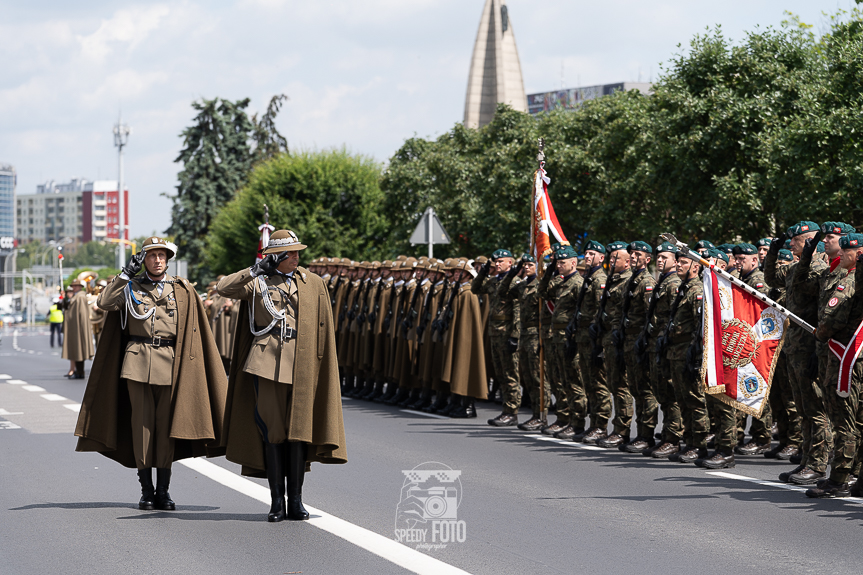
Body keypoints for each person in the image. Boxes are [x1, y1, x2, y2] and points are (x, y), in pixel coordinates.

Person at [75, 237, 228, 512]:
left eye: (162, 255)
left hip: (171, 363)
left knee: (166, 430)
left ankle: (164, 491)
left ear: (168, 259)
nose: (157, 260)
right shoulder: (130, 286)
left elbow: (196, 330)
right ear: (143, 259)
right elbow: (104, 302)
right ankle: (146, 490)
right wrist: (124, 274)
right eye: (151, 255)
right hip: (137, 363)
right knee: (142, 428)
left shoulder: (182, 289)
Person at [217, 229, 347, 522]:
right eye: (290, 254)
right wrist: (255, 269)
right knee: (274, 433)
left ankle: (297, 501)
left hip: (303, 364)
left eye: (298, 252)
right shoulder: (258, 282)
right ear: (275, 256)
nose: (297, 258)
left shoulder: (313, 283)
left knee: (298, 433)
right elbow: (224, 288)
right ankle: (277, 501)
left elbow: (324, 327)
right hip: (267, 363)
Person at [472, 249, 521, 425]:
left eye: (501, 261)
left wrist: (515, 336)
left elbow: (517, 311)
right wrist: (483, 271)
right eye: (495, 262)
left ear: (510, 263)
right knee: (500, 374)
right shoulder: (493, 281)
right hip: (495, 332)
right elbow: (475, 288)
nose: (497, 264)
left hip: (507, 332)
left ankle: (512, 411)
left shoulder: (515, 282)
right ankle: (506, 410)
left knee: (510, 374)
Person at [594, 241, 633, 449]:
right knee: (613, 384)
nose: (611, 260)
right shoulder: (612, 279)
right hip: (609, 339)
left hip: (620, 340)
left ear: (627, 262)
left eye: (616, 257)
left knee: (621, 387)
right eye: (611, 257)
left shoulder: (627, 281)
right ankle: (615, 428)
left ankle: (622, 431)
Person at [62, 279, 94, 379]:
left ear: (80, 287)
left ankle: (80, 371)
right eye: (73, 285)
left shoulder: (80, 297)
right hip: (74, 327)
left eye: (76, 285)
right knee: (77, 349)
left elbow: (82, 314)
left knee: (79, 349)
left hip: (78, 327)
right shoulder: (76, 296)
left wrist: (82, 327)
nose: (74, 287)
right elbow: (66, 307)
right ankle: (78, 371)